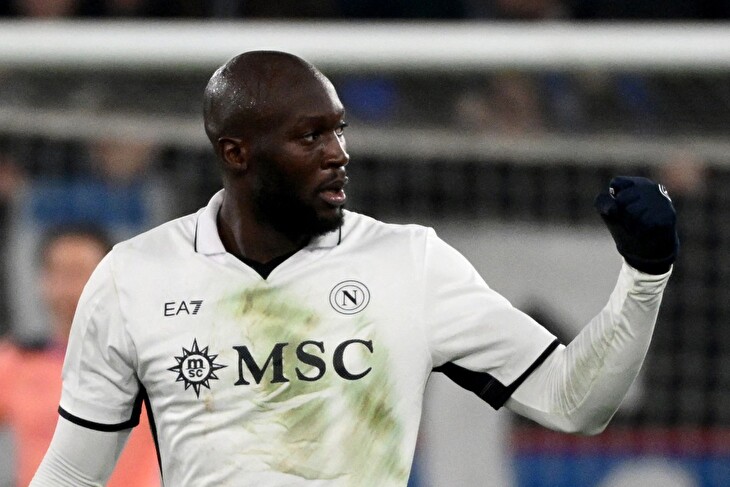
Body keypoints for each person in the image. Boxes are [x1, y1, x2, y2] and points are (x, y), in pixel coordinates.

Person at [30, 51, 678, 486]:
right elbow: (74, 473)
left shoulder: (410, 264)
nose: (339, 154)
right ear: (236, 153)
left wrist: (644, 274)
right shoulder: (135, 277)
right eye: (310, 137)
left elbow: (574, 400)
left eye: (339, 131)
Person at [0, 226, 159, 486]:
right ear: (42, 281)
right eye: (59, 273)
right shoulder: (16, 361)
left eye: (81, 272)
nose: (70, 287)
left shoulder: (149, 358)